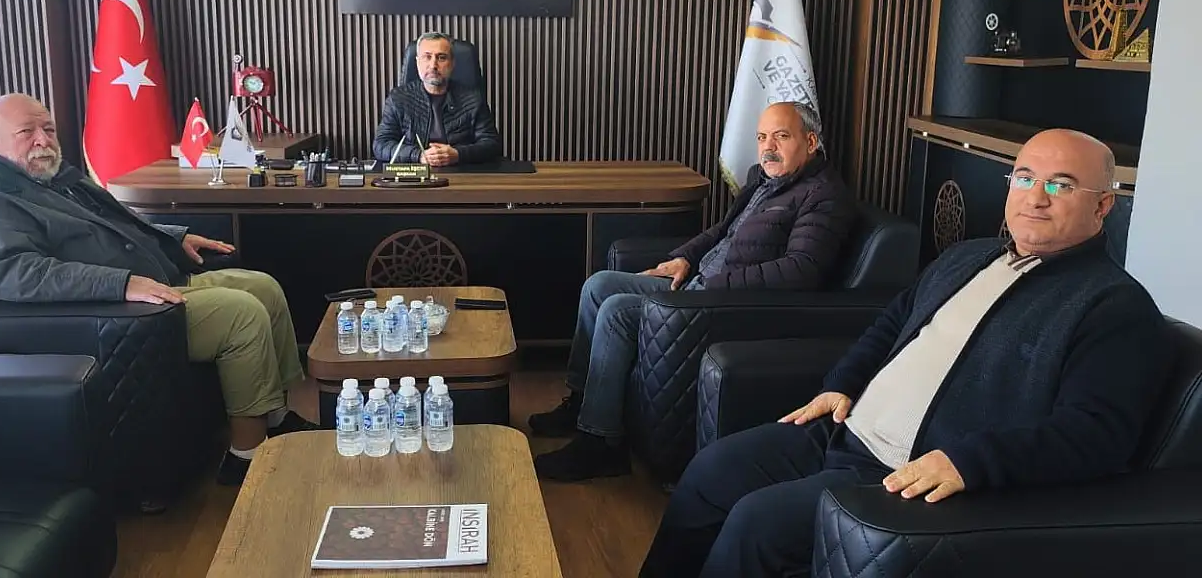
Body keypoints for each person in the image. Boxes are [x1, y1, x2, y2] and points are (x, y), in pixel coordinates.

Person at [640, 129, 1173, 578]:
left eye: (1062, 185)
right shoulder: (968, 257)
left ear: (1103, 205)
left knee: (757, 523)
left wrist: (971, 462)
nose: (1037, 197)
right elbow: (891, 322)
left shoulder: (1114, 306)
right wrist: (842, 382)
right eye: (1026, 178)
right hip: (844, 431)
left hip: (907, 472)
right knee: (710, 471)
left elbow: (1096, 434)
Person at [0, 93, 320, 486]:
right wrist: (121, 284)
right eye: (27, 132)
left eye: (48, 129)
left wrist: (174, 238)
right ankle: (247, 458)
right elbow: (20, 276)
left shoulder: (48, 178)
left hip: (150, 283)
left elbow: (114, 224)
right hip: (114, 316)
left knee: (263, 287)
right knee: (241, 313)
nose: (43, 140)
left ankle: (275, 418)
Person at [531, 101, 857, 481]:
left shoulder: (823, 195)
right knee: (598, 285)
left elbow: (801, 270)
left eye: (781, 137)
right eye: (762, 137)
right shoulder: (762, 179)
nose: (768, 147)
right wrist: (685, 257)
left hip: (718, 303)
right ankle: (582, 402)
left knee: (618, 311)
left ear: (811, 142)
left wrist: (716, 284)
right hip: (696, 282)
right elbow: (722, 231)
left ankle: (600, 444)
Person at [372, 31, 502, 166]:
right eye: (427, 57)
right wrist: (418, 155)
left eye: (441, 58)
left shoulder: (473, 99)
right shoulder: (398, 98)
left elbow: (491, 144)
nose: (433, 65)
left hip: (460, 172)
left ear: (452, 63)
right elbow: (381, 145)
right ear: (417, 62)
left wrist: (458, 154)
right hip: (415, 174)